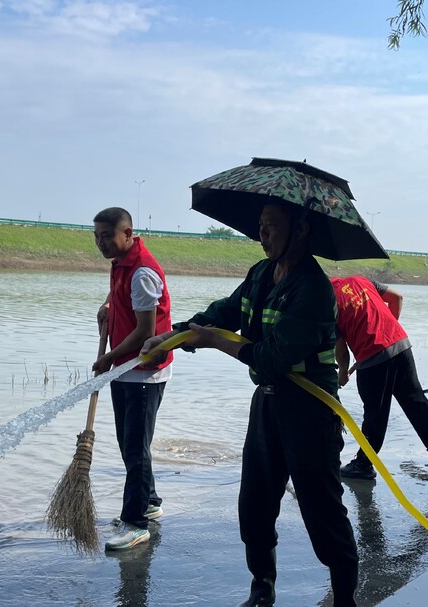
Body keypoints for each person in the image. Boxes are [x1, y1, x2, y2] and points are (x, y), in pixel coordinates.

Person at [141, 202, 359, 607]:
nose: (263, 234)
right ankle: (262, 589)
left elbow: (271, 359)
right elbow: (224, 313)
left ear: (301, 230)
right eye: (260, 226)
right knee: (254, 507)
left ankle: (345, 600)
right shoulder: (260, 274)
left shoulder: (313, 289)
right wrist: (168, 338)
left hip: (310, 413)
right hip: (268, 407)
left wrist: (211, 340)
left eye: (272, 227)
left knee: (323, 513)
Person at [92, 207, 173, 551]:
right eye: (96, 237)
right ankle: (149, 502)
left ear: (127, 233)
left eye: (107, 236)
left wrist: (108, 358)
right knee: (130, 443)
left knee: (135, 448)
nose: (101, 243)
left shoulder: (142, 271)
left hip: (143, 370)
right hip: (126, 368)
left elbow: (144, 332)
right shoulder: (123, 263)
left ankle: (135, 523)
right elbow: (124, 298)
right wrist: (108, 306)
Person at [330, 275, 428, 479]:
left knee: (375, 412)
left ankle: (364, 464)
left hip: (372, 356)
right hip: (400, 344)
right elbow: (397, 297)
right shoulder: (361, 280)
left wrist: (342, 372)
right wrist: (387, 329)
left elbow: (341, 348)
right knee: (414, 399)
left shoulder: (328, 302)